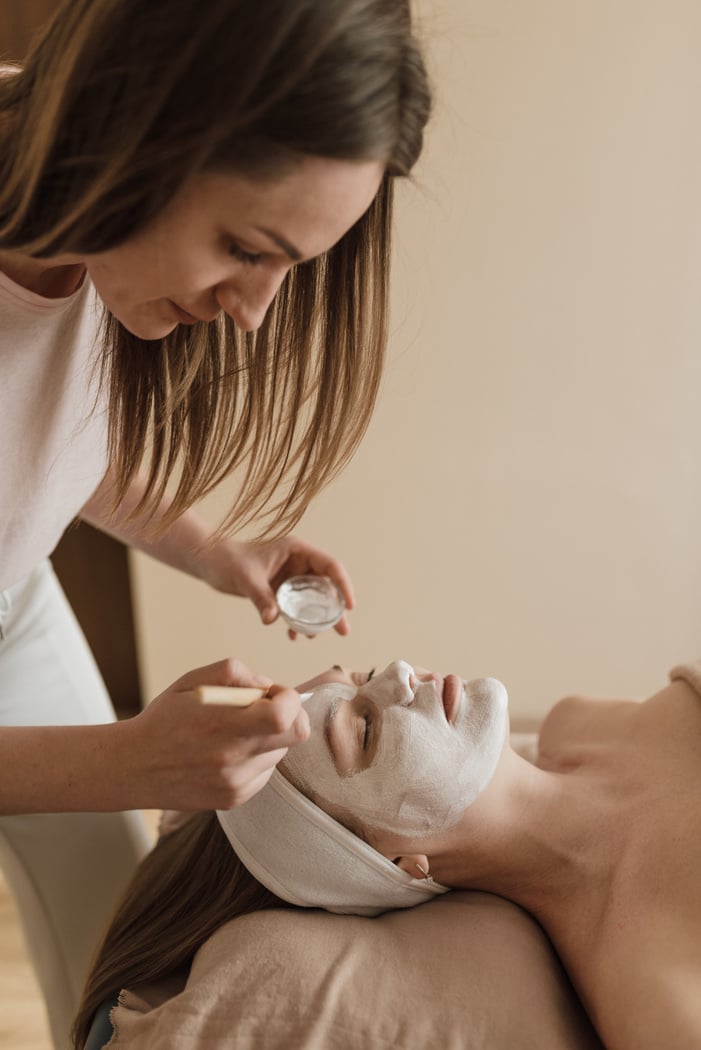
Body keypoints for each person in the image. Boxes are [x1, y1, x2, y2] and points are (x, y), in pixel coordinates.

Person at [0, 0, 431, 1043]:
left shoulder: (80, 226)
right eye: (243, 247)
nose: (255, 311)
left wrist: (215, 549)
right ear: (127, 127)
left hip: (14, 606)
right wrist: (127, 762)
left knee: (112, 914)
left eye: (294, 265)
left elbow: (38, 438)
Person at [72, 658, 701, 1050]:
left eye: (365, 675)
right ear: (401, 862)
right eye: (365, 728)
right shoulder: (650, 988)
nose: (401, 672)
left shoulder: (580, 721)